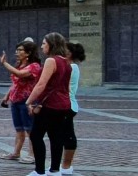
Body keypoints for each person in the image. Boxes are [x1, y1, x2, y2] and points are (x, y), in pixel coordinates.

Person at [22, 33, 74, 176]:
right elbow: (66, 86)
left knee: (36, 135)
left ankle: (39, 171)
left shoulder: (52, 61)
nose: (42, 46)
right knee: (55, 136)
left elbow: (41, 85)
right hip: (63, 104)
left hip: (50, 104)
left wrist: (29, 101)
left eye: (44, 43)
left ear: (52, 44)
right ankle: (54, 170)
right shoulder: (66, 62)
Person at [0, 39, 41, 163]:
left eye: (20, 50)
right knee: (19, 129)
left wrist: (4, 63)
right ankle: (16, 152)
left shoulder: (34, 66)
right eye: (17, 50)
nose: (17, 52)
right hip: (15, 101)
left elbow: (20, 74)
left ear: (28, 53)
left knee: (30, 129)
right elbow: (15, 83)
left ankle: (32, 155)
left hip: (27, 101)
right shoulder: (19, 65)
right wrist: (7, 95)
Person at [60, 41, 87, 176]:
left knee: (68, 135)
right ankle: (62, 165)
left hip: (67, 105)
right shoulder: (67, 66)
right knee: (61, 134)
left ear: (69, 53)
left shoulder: (72, 67)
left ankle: (66, 166)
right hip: (64, 104)